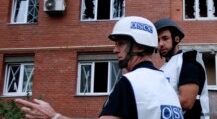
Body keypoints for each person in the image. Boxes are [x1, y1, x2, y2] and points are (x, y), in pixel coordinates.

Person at [15, 16, 184, 119]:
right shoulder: (167, 85)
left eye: (121, 43)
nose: (115, 49)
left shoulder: (131, 83)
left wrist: (53, 116)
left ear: (139, 47)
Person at [154, 18, 210, 119]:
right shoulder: (164, 68)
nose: (160, 44)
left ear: (176, 38)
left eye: (165, 38)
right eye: (157, 40)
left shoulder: (188, 61)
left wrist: (149, 108)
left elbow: (186, 102)